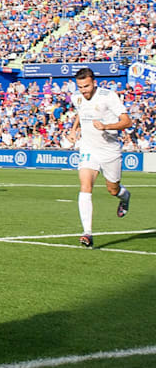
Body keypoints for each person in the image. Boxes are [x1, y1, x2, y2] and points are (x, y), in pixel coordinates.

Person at [70, 68, 133, 248]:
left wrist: (106, 126)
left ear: (94, 82)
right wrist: (74, 130)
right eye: (80, 86)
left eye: (87, 86)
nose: (84, 90)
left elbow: (127, 121)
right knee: (85, 186)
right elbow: (81, 112)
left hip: (109, 150)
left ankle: (125, 197)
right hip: (88, 148)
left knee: (113, 189)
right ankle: (87, 233)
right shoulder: (77, 97)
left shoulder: (108, 96)